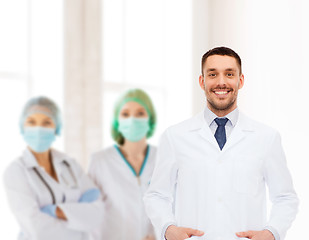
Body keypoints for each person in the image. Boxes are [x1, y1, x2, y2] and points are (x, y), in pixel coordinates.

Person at [144, 47, 299, 240]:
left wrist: (272, 233)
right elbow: (157, 195)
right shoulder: (175, 136)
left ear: (240, 81)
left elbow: (285, 198)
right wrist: (168, 228)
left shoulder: (266, 138)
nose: (221, 82)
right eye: (212, 74)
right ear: (202, 81)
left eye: (229, 74)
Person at [3, 96, 104, 240]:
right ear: (22, 127)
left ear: (56, 127)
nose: (38, 128)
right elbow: (36, 230)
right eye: (31, 122)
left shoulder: (70, 164)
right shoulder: (16, 171)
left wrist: (53, 211)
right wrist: (77, 219)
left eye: (46, 123)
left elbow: (96, 214)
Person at [88, 89, 157, 240]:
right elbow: (90, 216)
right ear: (117, 121)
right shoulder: (100, 162)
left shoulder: (163, 159)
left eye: (140, 113)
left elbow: (176, 209)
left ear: (150, 119)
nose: (132, 120)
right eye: (125, 114)